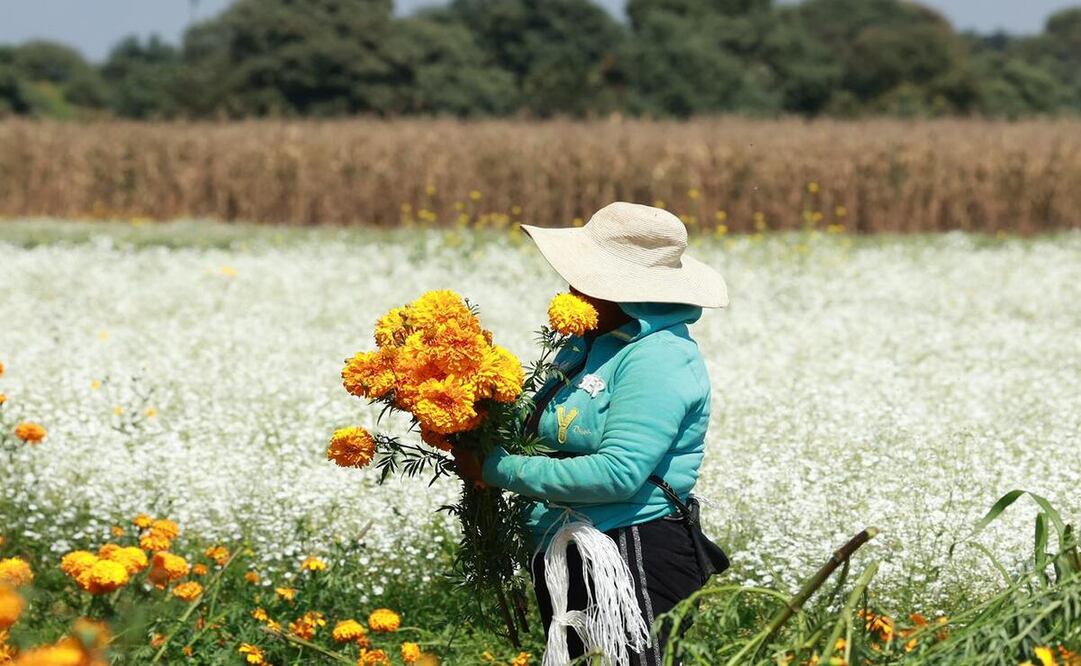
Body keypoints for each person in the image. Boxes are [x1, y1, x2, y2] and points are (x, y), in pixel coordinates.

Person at [452, 201, 728, 665]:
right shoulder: (585, 343)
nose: (571, 286)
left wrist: (495, 468)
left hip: (632, 552)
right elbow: (540, 429)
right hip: (568, 550)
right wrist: (468, 417)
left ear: (619, 287)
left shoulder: (659, 356)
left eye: (583, 276)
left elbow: (618, 474)